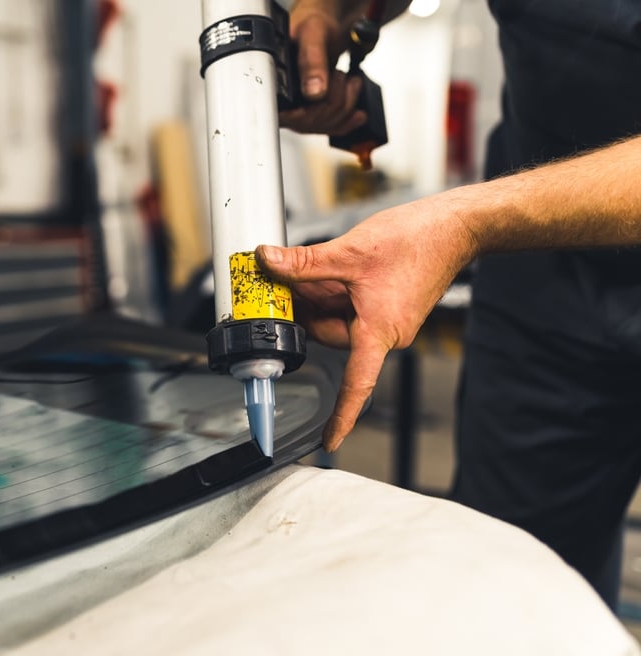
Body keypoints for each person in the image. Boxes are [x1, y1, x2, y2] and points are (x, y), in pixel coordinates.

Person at [266, 0, 641, 608]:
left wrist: (465, 222)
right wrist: (337, 10)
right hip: (544, 281)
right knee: (508, 577)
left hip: (513, 224)